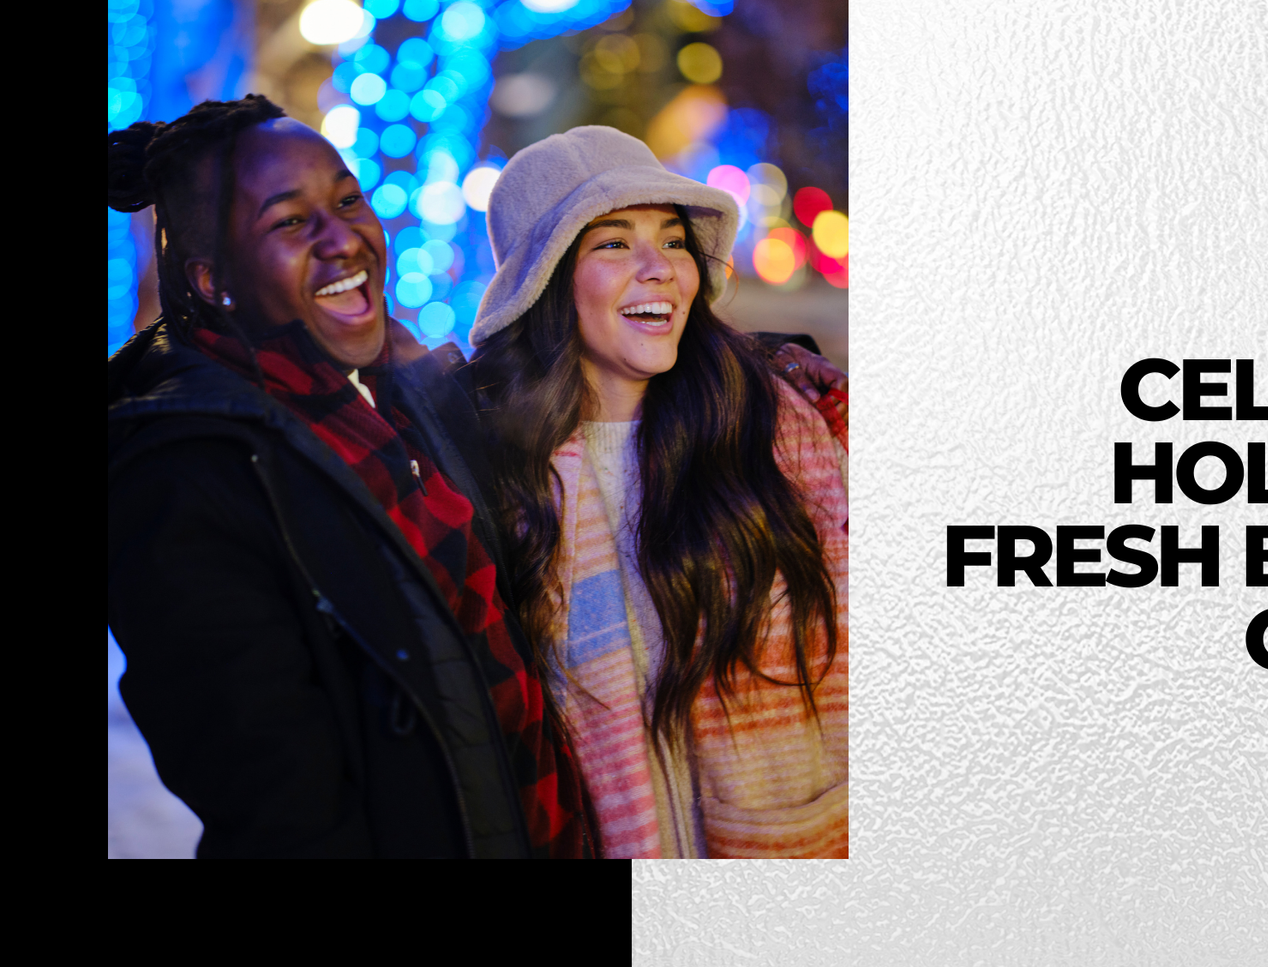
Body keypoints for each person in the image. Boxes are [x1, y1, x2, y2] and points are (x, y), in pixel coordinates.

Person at [107, 95, 594, 857]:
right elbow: (282, 815)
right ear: (212, 281)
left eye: (346, 199)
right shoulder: (186, 480)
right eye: (291, 222)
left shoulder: (400, 396)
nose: (345, 238)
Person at [469, 126, 848, 858]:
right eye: (612, 243)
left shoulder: (778, 429)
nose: (659, 269)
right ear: (545, 282)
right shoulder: (494, 481)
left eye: (673, 241)